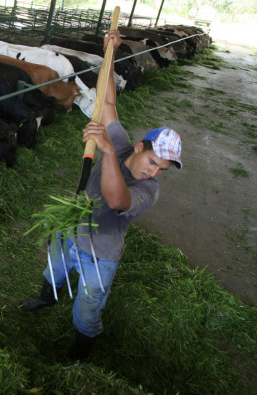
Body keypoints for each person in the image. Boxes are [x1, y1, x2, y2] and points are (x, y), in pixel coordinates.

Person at [18, 29, 183, 360]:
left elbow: (116, 201)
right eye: (153, 162)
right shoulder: (122, 144)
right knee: (54, 267)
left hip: (101, 252)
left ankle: (81, 347)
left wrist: (107, 152)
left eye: (161, 169)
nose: (153, 172)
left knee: (91, 302)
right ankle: (47, 297)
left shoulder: (149, 190)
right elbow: (107, 102)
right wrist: (110, 53)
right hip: (71, 227)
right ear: (139, 147)